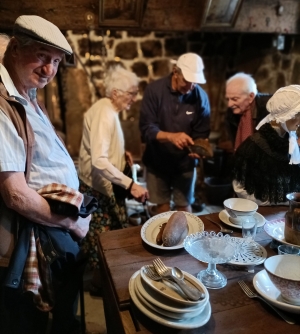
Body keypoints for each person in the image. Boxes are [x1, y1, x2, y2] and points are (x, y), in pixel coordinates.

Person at [0, 15, 91, 334]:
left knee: (57, 306)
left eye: (55, 61)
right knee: (28, 319)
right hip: (29, 232)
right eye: (41, 56)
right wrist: (72, 222)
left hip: (50, 223)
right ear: (14, 49)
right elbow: (14, 194)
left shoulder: (25, 93)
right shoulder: (2, 102)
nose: (49, 70)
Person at [78, 65, 148, 295]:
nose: (134, 98)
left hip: (105, 185)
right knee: (104, 240)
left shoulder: (107, 109)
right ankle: (100, 286)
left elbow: (104, 148)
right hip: (98, 189)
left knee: (111, 236)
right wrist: (131, 184)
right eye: (131, 93)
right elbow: (99, 161)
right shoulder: (104, 114)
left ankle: (103, 281)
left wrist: (121, 154)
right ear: (116, 92)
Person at [139, 52, 210, 214]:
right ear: (175, 72)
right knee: (162, 208)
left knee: (184, 207)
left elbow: (201, 131)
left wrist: (198, 149)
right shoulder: (154, 91)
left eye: (195, 82)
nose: (191, 87)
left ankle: (187, 240)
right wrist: (171, 137)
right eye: (187, 81)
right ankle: (162, 239)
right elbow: (146, 128)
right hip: (157, 160)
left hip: (185, 164)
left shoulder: (201, 97)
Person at [232, 85, 300, 205]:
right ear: (284, 114)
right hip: (261, 215)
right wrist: (275, 203)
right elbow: (240, 188)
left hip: (286, 213)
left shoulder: (291, 143)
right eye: (297, 114)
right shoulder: (253, 146)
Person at [225, 72, 272, 151]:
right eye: (228, 99)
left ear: (251, 97)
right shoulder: (231, 114)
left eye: (234, 99)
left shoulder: (270, 107)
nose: (229, 104)